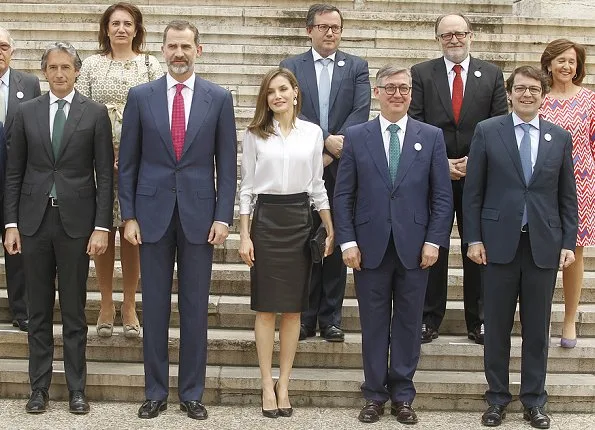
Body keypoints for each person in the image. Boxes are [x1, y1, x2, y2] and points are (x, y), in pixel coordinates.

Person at [118, 20, 237, 420]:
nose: (179, 53)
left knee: (194, 307)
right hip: (150, 216)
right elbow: (128, 163)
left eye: (186, 46)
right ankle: (154, 391)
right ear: (162, 50)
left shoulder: (219, 98)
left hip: (200, 218)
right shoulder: (141, 96)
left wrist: (224, 216)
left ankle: (191, 393)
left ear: (198, 50)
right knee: (153, 306)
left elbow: (227, 164)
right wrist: (128, 215)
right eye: (172, 46)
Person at [334, 65, 453, 424]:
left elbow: (442, 197)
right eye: (390, 88)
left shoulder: (430, 136)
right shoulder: (357, 136)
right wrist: (347, 242)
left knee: (407, 322)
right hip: (368, 247)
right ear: (377, 91)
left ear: (411, 94)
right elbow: (343, 195)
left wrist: (434, 241)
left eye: (404, 88)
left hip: (416, 249)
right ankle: (373, 395)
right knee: (372, 324)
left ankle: (403, 394)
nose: (397, 94)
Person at [463, 66, 577, 429]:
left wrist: (568, 242)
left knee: (537, 329)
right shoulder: (488, 131)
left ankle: (534, 401)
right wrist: (473, 238)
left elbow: (567, 197)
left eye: (534, 90)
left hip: (543, 244)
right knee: (495, 327)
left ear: (544, 96)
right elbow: (474, 191)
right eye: (520, 89)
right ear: (509, 94)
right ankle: (497, 398)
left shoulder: (559, 137)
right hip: (497, 245)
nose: (527, 95)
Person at [3, 42, 113, 414]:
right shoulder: (25, 112)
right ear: (44, 72)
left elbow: (104, 176)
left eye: (66, 67)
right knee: (37, 311)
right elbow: (14, 171)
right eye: (53, 67)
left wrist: (102, 225)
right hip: (33, 223)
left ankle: (77, 390)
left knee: (74, 310)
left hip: (76, 225)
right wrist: (11, 223)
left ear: (77, 71)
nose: (60, 73)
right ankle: (39, 389)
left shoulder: (96, 114)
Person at [238, 68, 334, 418]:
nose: (277, 95)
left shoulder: (312, 133)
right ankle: (266, 383)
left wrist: (329, 226)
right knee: (265, 308)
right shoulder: (254, 134)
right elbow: (246, 187)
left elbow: (317, 185)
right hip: (265, 221)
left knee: (293, 309)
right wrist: (244, 234)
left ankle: (284, 383)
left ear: (295, 92)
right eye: (270, 91)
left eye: (283, 89)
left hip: (299, 220)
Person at [409, 13, 508, 345]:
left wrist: (473, 163)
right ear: (437, 39)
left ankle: (479, 319)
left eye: (460, 33)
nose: (454, 39)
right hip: (433, 176)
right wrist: (441, 162)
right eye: (446, 35)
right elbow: (415, 122)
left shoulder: (492, 74)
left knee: (477, 247)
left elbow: (498, 125)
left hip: (478, 178)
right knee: (432, 245)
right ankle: (428, 317)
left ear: (471, 36)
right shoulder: (422, 73)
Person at [280, 3, 370, 343]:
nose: (330, 32)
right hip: (305, 165)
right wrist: (323, 143)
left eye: (335, 27)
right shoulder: (291, 67)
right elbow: (289, 108)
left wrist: (333, 151)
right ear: (309, 30)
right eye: (323, 27)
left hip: (342, 167)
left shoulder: (357, 67)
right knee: (306, 241)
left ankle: (331, 316)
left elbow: (361, 111)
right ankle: (304, 316)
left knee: (335, 239)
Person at [76, 2, 163, 339]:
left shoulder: (149, 64)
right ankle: (107, 304)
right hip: (97, 160)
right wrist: (102, 152)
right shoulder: (94, 65)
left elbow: (158, 111)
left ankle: (129, 304)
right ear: (106, 28)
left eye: (128, 23)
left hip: (139, 160)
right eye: (115, 23)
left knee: (130, 231)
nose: (121, 29)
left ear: (137, 29)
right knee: (103, 231)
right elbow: (81, 111)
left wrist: (131, 152)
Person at [539, 39, 595, 349]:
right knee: (544, 251)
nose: (566, 66)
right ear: (548, 64)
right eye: (561, 60)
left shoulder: (590, 100)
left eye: (572, 61)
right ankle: (540, 319)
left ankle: (570, 319)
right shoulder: (539, 99)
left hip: (581, 183)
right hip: (545, 184)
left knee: (574, 253)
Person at [0, 26, 42, 333]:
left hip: (16, 182)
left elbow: (37, 131)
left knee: (17, 249)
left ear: (12, 51)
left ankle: (21, 309)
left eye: (3, 46)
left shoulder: (28, 84)